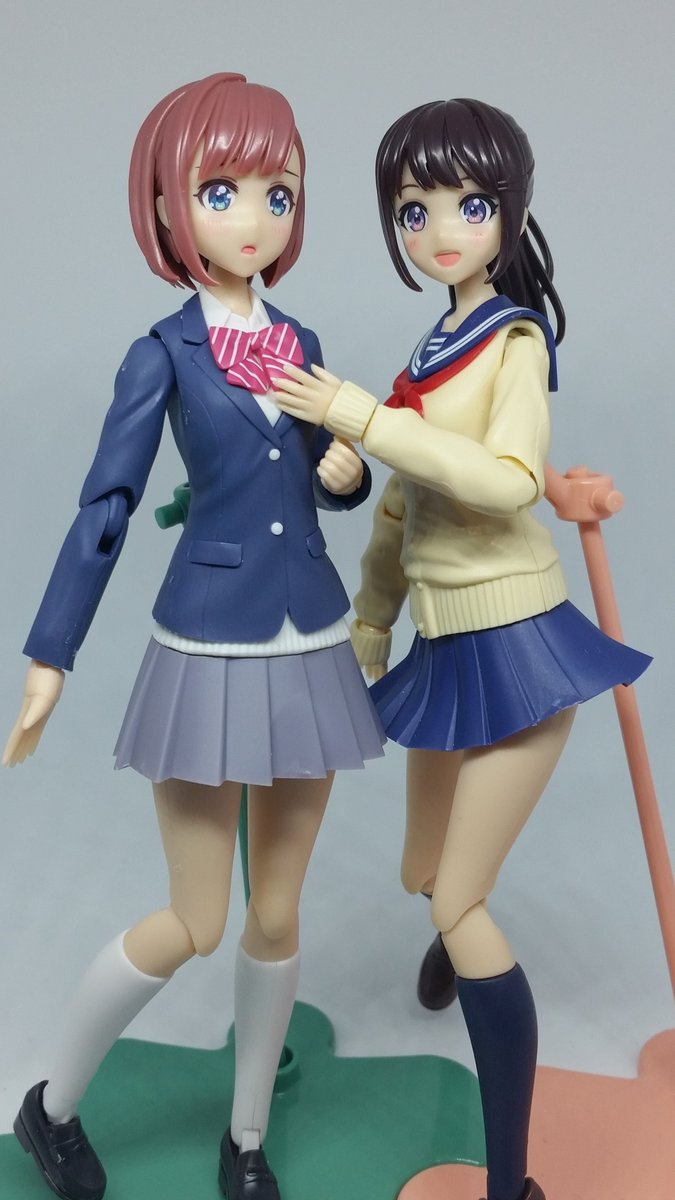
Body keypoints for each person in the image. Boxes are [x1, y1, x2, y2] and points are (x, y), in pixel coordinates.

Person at [4, 72, 383, 1200]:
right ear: (168, 204)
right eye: (222, 190)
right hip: (209, 644)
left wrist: (345, 473)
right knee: (195, 917)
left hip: (307, 637)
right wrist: (50, 654)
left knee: (279, 910)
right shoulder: (162, 352)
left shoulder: (300, 340)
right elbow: (107, 507)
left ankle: (247, 1136)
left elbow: (312, 478)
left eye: (278, 192)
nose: (253, 216)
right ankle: (48, 1107)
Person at [274, 97, 650, 1200]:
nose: (441, 231)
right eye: (414, 210)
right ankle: (455, 919)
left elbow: (506, 482)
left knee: (457, 902)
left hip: (518, 644)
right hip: (442, 648)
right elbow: (405, 507)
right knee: (423, 873)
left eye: (470, 205)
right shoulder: (435, 347)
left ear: (509, 213)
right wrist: (370, 622)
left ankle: (511, 1178)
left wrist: (365, 417)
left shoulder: (515, 341)